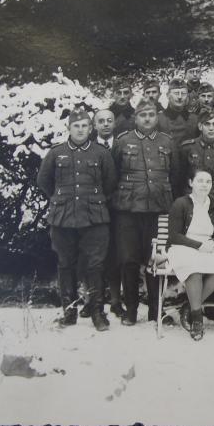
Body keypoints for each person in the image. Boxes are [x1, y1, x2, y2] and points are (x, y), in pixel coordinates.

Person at [37, 109, 117, 331]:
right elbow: (43, 181)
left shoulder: (101, 153)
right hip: (63, 218)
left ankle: (98, 313)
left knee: (95, 265)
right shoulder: (56, 153)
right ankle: (69, 312)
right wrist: (62, 199)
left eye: (84, 126)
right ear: (69, 129)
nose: (81, 130)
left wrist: (94, 200)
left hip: (95, 218)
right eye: (76, 126)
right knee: (66, 265)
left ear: (91, 129)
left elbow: (110, 183)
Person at [112, 98, 178, 325]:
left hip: (158, 210)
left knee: (155, 260)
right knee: (129, 260)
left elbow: (176, 176)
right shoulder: (122, 141)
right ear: (135, 118)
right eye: (143, 115)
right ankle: (131, 311)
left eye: (151, 114)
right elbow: (112, 176)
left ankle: (155, 311)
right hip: (128, 210)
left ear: (157, 116)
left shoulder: (167, 142)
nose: (147, 118)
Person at [166, 168, 214, 341]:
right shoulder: (180, 203)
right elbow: (174, 236)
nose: (204, 185)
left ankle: (190, 306)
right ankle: (197, 320)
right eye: (200, 181)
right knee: (193, 267)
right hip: (182, 246)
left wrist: (212, 243)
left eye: (208, 182)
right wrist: (198, 245)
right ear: (191, 183)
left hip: (207, 247)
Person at [91, 109, 124, 318]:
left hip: (118, 208)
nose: (105, 124)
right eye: (101, 121)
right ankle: (92, 300)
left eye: (109, 121)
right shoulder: (87, 146)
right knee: (92, 255)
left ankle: (115, 300)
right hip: (93, 208)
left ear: (114, 124)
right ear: (94, 125)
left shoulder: (123, 145)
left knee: (115, 254)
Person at [177, 108, 214, 211]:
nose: (211, 128)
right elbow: (180, 180)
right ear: (200, 126)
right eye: (207, 124)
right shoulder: (187, 148)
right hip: (192, 203)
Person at [157, 78, 199, 146]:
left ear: (187, 97)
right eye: (176, 93)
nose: (180, 97)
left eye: (183, 93)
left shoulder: (194, 119)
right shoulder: (159, 119)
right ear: (168, 95)